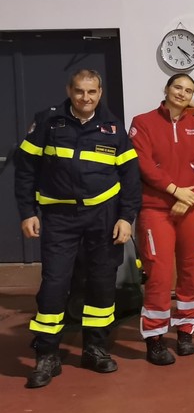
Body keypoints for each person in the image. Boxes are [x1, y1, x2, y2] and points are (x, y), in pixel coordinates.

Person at [14, 69, 141, 388]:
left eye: (92, 92)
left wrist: (126, 217)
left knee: (101, 282)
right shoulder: (48, 122)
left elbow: (130, 177)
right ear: (69, 90)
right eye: (80, 91)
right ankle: (47, 354)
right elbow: (25, 169)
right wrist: (27, 212)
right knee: (55, 284)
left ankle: (96, 348)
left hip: (104, 217)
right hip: (59, 219)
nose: (86, 98)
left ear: (100, 93)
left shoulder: (113, 128)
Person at [130, 73, 194, 365]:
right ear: (166, 89)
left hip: (192, 208)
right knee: (160, 274)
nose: (182, 93)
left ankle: (185, 330)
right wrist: (175, 191)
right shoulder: (143, 123)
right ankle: (154, 337)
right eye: (177, 87)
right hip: (156, 209)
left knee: (192, 271)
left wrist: (193, 196)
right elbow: (142, 164)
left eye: (188, 90)